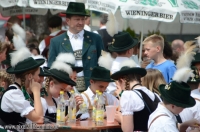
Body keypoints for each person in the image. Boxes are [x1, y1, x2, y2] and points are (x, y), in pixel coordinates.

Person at [48, 2, 104, 92]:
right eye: (77, 19)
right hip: (66, 88)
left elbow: (102, 64)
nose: (81, 22)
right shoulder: (56, 41)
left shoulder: (95, 38)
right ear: (68, 21)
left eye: (83, 19)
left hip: (91, 88)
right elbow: (51, 68)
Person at [0, 47, 44, 132]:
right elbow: (39, 119)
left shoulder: (21, 92)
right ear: (30, 76)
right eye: (38, 75)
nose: (40, 79)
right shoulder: (12, 94)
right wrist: (36, 91)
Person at [111, 59, 160, 131]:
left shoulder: (128, 95)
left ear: (122, 80)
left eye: (118, 82)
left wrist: (121, 118)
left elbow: (128, 130)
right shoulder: (155, 95)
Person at [81, 51, 119, 119]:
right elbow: (82, 116)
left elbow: (120, 107)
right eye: (101, 86)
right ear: (91, 81)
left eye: (106, 87)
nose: (103, 90)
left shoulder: (107, 97)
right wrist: (104, 114)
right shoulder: (83, 98)